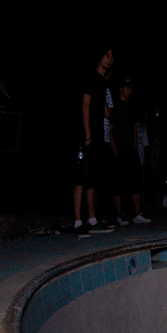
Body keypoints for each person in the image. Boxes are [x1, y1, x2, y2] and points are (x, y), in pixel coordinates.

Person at [72, 46, 115, 236]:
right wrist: (87, 134)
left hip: (98, 136)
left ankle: (92, 219)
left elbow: (107, 112)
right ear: (100, 57)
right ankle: (77, 222)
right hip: (86, 136)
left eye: (112, 56)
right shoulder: (91, 78)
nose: (110, 59)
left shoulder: (103, 83)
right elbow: (85, 105)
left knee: (92, 179)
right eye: (107, 55)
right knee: (80, 178)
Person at [110, 75, 152, 225]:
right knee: (118, 183)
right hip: (119, 148)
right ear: (121, 89)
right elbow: (110, 129)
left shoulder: (131, 106)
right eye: (127, 88)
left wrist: (135, 145)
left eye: (131, 88)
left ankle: (137, 213)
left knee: (135, 182)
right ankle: (119, 214)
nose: (129, 90)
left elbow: (134, 127)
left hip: (131, 149)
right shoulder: (115, 106)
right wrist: (114, 148)